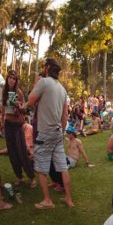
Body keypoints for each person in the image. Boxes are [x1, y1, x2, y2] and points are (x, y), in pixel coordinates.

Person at [22, 58, 74, 208]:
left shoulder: (44, 82)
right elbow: (65, 116)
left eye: (45, 66)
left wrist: (24, 104)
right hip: (58, 132)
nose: (43, 68)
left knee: (40, 167)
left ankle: (47, 200)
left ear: (48, 67)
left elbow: (30, 101)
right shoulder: (63, 89)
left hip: (45, 132)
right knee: (63, 167)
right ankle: (68, 199)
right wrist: (62, 132)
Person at [2, 70, 36, 188]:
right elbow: (3, 108)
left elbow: (24, 111)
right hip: (8, 124)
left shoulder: (19, 92)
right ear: (7, 79)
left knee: (21, 152)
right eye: (10, 78)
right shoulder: (4, 91)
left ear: (16, 81)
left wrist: (18, 107)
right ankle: (20, 177)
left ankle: (31, 178)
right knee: (12, 153)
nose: (11, 80)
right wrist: (2, 122)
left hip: (17, 125)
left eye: (14, 78)